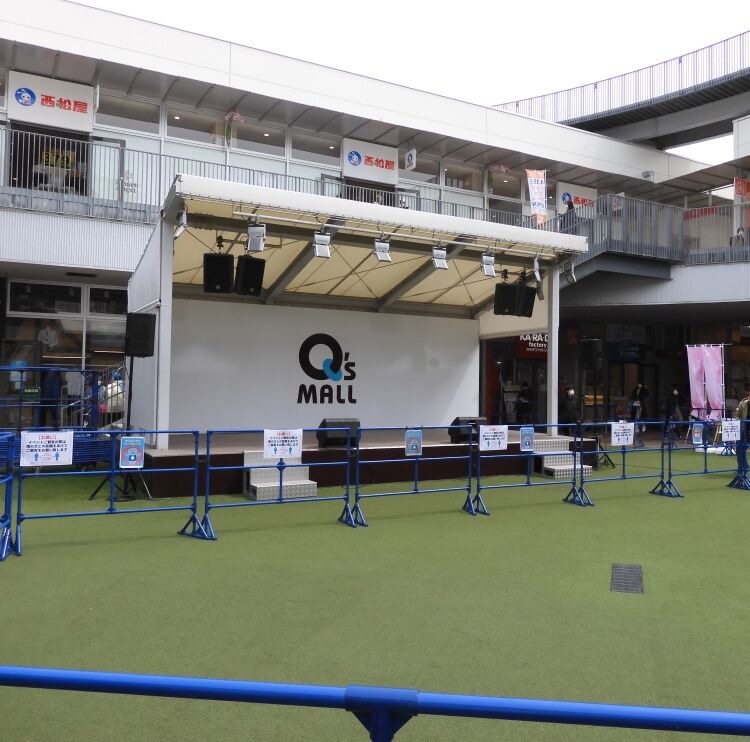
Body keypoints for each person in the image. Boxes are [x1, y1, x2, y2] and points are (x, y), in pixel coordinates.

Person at [734, 386, 750, 474]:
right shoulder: (743, 403)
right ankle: (742, 466)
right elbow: (737, 415)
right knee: (740, 447)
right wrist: (739, 422)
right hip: (744, 429)